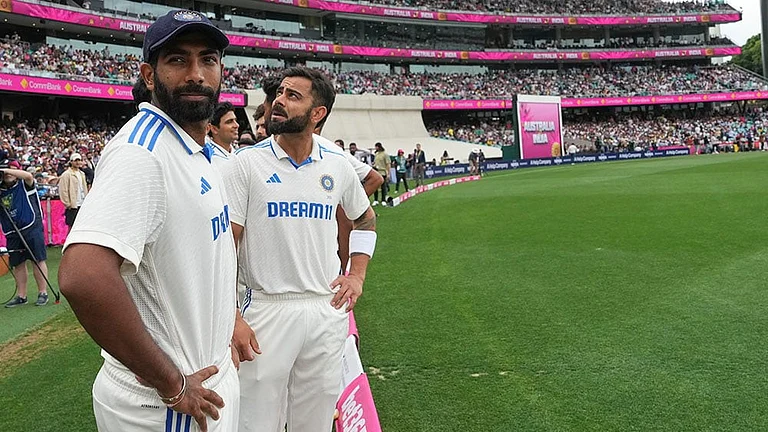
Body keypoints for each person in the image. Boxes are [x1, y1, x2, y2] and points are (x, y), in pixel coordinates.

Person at [58, 10, 240, 432]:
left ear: (221, 71)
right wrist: (172, 384)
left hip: (206, 385)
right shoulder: (143, 154)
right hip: (166, 407)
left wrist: (222, 327)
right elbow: (83, 277)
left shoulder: (197, 148)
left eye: (207, 59)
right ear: (150, 74)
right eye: (177, 60)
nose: (196, 74)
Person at [225, 66, 376, 432]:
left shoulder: (337, 166)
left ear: (317, 113)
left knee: (316, 421)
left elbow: (366, 220)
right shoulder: (245, 164)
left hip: (324, 308)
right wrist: (231, 316)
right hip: (265, 310)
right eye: (280, 92)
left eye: (293, 96)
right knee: (255, 422)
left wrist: (356, 274)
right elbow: (224, 248)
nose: (279, 101)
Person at [0, 159, 50, 307]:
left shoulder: (25, 184)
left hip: (31, 227)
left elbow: (28, 176)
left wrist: (6, 170)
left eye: (11, 170)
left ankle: (43, 292)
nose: (8, 173)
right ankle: (22, 296)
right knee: (18, 264)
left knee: (38, 259)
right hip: (12, 231)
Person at [58, 152, 88, 230]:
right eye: (76, 160)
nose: (78, 162)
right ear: (71, 162)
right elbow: (63, 190)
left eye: (80, 160)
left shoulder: (82, 174)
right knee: (71, 226)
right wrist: (68, 204)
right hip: (73, 205)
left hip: (82, 203)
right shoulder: (66, 174)